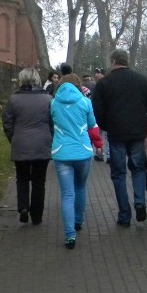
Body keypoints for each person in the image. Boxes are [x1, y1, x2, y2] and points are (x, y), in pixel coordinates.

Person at [91, 49, 147, 227]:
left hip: (116, 134)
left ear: (114, 61)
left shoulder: (104, 83)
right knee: (138, 169)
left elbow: (97, 111)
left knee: (118, 173)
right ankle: (140, 203)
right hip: (137, 133)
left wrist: (106, 126)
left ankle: (124, 214)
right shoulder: (142, 81)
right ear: (127, 61)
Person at [50, 73, 97, 249]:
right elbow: (92, 124)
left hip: (61, 153)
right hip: (83, 152)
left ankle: (70, 235)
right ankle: (78, 220)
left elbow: (52, 122)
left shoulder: (53, 103)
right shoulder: (85, 102)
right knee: (80, 187)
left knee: (67, 194)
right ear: (78, 85)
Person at [1, 67, 53, 225]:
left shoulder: (13, 100)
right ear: (37, 80)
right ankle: (37, 215)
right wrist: (49, 138)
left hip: (21, 143)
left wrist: (14, 138)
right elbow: (53, 123)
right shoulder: (48, 100)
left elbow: (7, 123)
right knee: (39, 181)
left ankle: (23, 207)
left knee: (22, 177)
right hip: (42, 144)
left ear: (21, 80)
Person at [93, 68, 110, 162]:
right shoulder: (109, 83)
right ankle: (108, 155)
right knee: (105, 136)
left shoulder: (100, 85)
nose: (96, 75)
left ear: (101, 74)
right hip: (106, 114)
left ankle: (100, 153)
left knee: (99, 135)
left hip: (100, 115)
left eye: (97, 73)